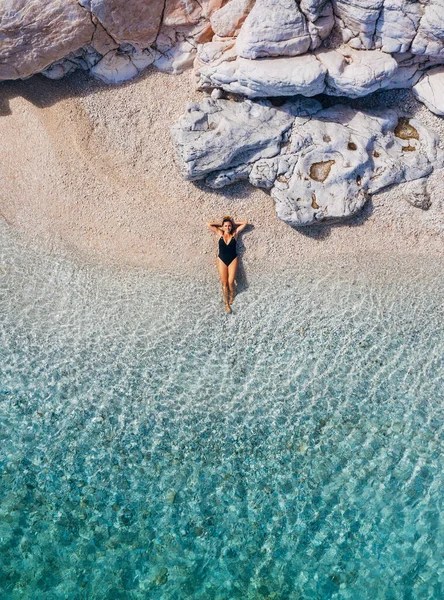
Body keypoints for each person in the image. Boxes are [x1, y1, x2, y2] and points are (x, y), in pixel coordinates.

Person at [207, 216, 248, 313]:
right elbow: (209, 224)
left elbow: (245, 222)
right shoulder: (219, 233)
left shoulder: (235, 234)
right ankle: (226, 304)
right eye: (226, 226)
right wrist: (221, 223)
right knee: (224, 283)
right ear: (223, 226)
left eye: (229, 226)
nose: (228, 227)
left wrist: (234, 223)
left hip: (233, 259)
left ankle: (232, 294)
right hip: (221, 260)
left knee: (230, 282)